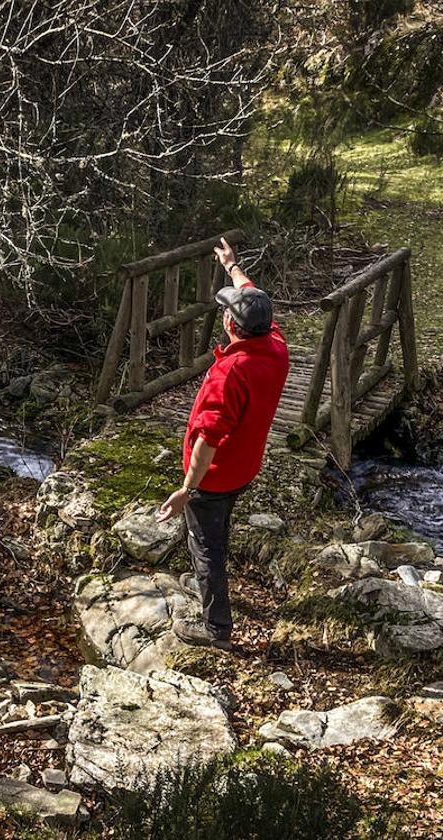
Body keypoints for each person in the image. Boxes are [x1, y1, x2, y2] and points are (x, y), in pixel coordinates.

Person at [155, 237, 290, 651]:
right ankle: (216, 596)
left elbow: (208, 440)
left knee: (206, 546)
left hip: (216, 476)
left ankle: (217, 630)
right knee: (217, 530)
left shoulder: (229, 373)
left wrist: (187, 489)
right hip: (246, 466)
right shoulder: (275, 346)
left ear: (232, 325)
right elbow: (252, 296)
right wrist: (232, 267)